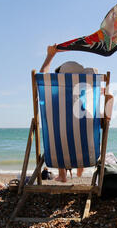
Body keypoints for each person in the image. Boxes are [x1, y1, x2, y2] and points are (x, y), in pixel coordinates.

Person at [39, 44, 101, 182]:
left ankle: (62, 175)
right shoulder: (86, 105)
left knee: (57, 128)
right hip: (87, 156)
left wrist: (50, 55)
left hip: (56, 156)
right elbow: (102, 122)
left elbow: (41, 78)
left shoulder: (51, 101)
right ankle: (79, 168)